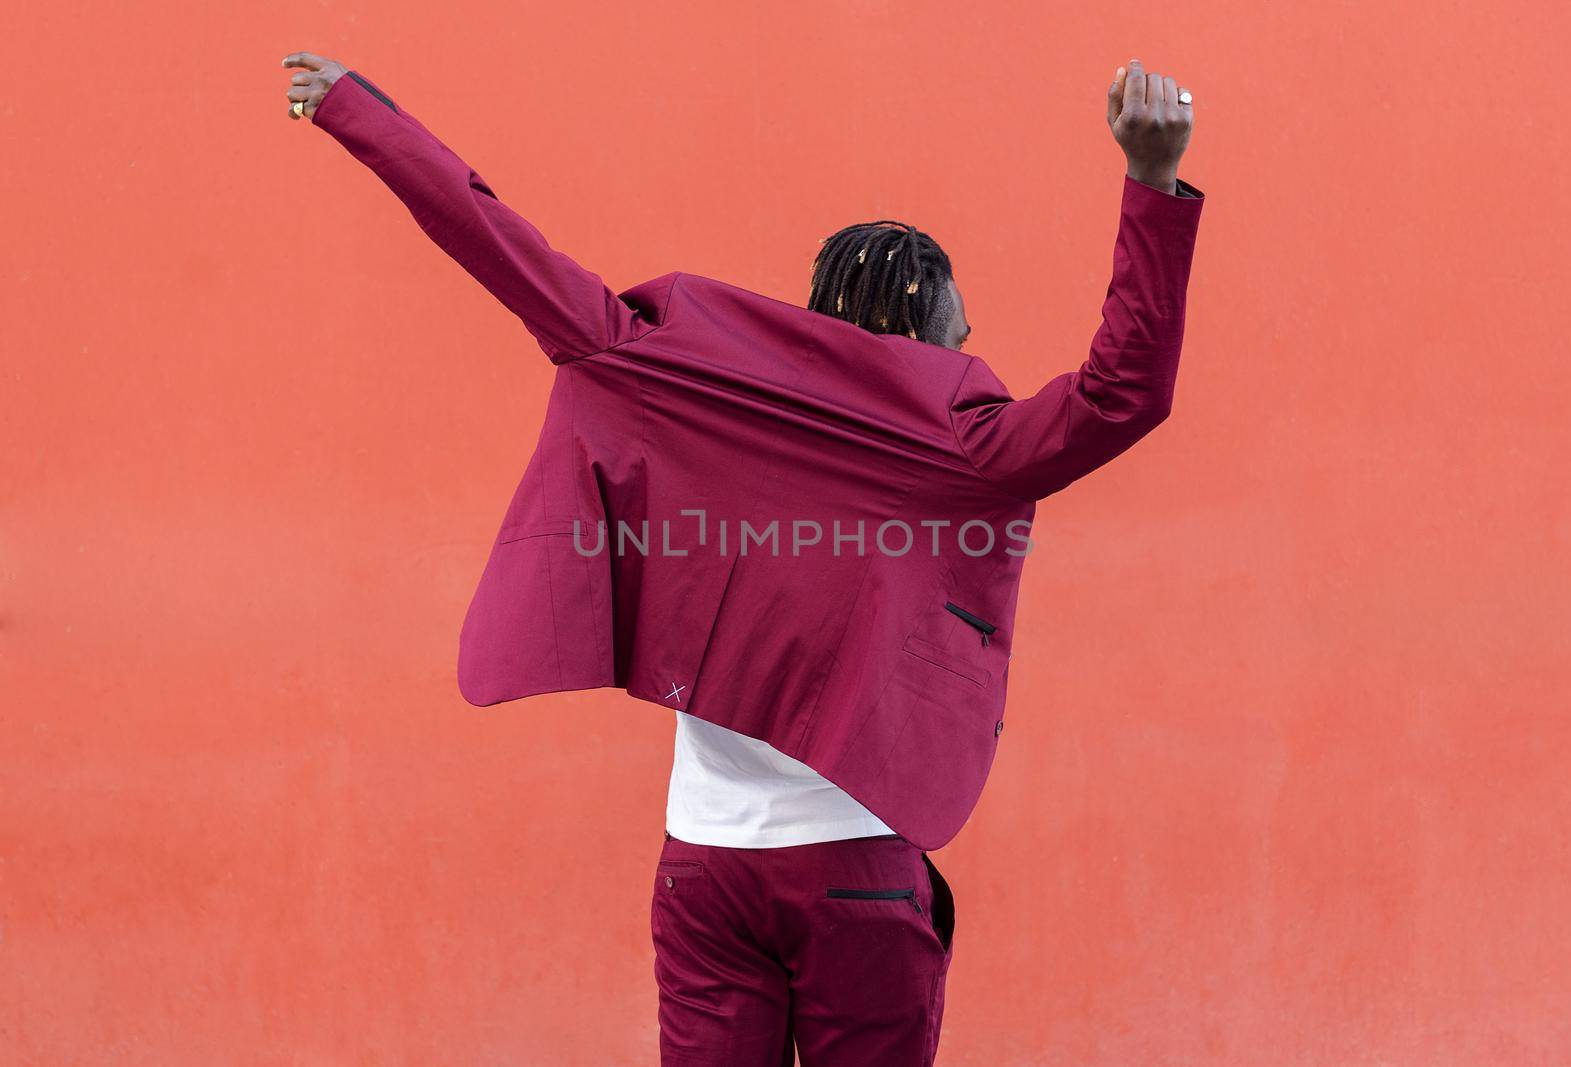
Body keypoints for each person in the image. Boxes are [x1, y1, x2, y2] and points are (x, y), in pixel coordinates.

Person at [283, 51, 1202, 1065]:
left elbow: (499, 244)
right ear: (936, 336)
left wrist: (353, 109)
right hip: (854, 870)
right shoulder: (959, 442)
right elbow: (1121, 392)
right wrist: (1150, 180)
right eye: (960, 336)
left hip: (707, 871)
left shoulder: (687, 382)